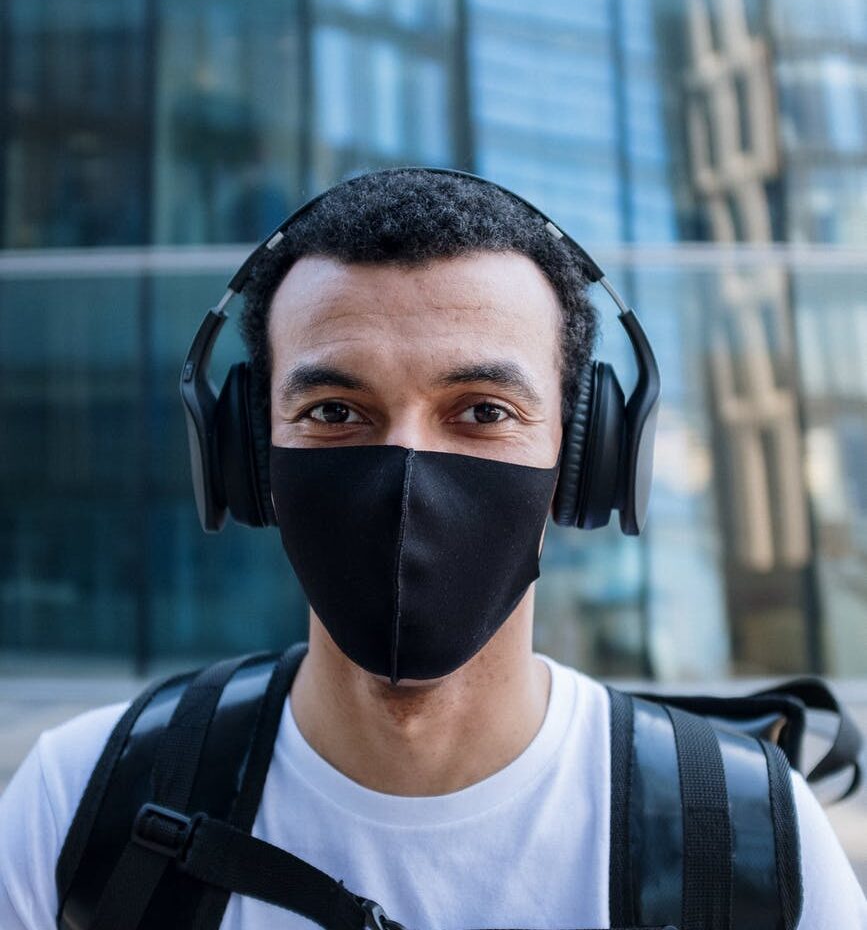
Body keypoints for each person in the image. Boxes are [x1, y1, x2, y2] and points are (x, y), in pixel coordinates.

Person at [1, 169, 864, 930]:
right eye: (335, 411)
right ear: (245, 457)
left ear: (586, 459)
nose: (407, 475)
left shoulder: (745, 832)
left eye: (482, 411)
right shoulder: (80, 797)